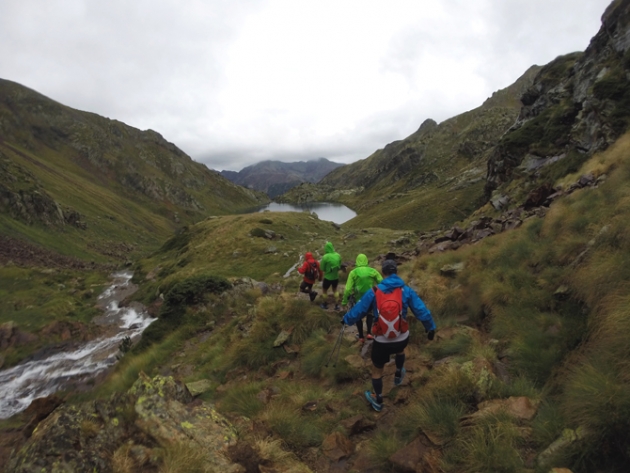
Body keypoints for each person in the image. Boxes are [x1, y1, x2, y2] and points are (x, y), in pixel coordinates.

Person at [342, 259, 436, 412]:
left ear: (383, 273)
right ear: (396, 272)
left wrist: (346, 319)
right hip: (401, 338)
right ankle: (399, 374)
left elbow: (359, 311)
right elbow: (421, 310)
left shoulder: (374, 291)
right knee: (400, 350)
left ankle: (377, 399)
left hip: (381, 341)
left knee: (377, 370)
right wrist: (430, 328)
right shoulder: (406, 290)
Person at [342, 254, 383, 343]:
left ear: (357, 261)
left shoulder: (353, 272)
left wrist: (344, 301)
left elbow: (348, 289)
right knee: (370, 314)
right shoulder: (372, 271)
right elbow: (382, 282)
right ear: (366, 261)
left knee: (358, 316)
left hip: (358, 299)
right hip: (371, 297)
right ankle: (369, 333)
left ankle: (361, 336)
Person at [319, 241, 342, 310]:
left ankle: (324, 304)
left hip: (327, 277)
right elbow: (339, 266)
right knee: (335, 290)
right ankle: (337, 305)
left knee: (324, 290)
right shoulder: (338, 255)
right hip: (335, 277)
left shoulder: (325, 257)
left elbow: (322, 268)